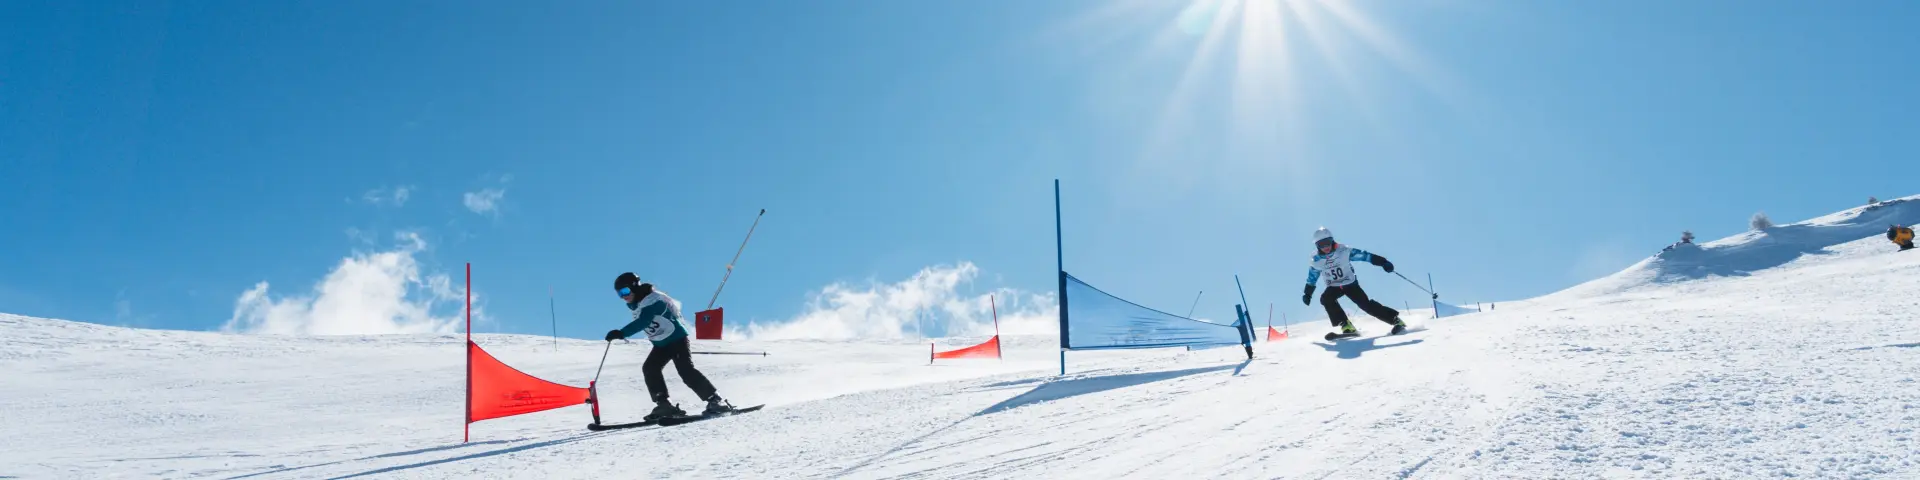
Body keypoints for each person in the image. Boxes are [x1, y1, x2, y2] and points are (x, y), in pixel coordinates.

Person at [606, 272, 732, 420]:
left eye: (625, 291)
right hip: (661, 344)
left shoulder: (653, 300)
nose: (623, 296)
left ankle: (716, 400)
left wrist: (622, 333)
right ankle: (664, 404)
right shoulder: (636, 305)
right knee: (650, 368)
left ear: (635, 286)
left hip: (676, 338)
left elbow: (644, 321)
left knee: (685, 371)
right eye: (619, 294)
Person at [1301, 227, 1407, 338]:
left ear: (1332, 240)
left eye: (1327, 243)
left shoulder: (1344, 251)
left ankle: (1395, 320)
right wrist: (1307, 293)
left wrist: (1383, 262)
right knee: (1326, 299)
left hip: (1350, 284)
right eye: (1321, 244)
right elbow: (1312, 277)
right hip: (1334, 286)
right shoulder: (1316, 260)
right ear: (1317, 245)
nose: (1325, 247)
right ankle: (1346, 325)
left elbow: (1365, 256)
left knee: (1365, 305)